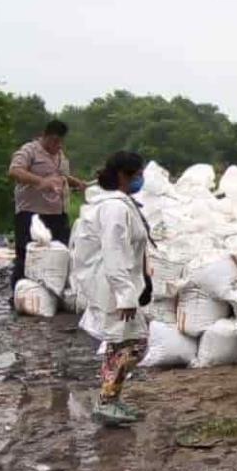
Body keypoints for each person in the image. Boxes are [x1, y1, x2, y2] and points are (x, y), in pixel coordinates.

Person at [69, 151, 151, 427]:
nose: (140, 179)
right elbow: (114, 251)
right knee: (135, 344)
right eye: (136, 174)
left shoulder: (117, 203)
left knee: (119, 343)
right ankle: (106, 401)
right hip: (114, 286)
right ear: (122, 175)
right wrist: (125, 295)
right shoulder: (114, 207)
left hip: (118, 283)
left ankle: (111, 400)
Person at [8, 120, 87, 294]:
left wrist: (78, 183)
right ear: (44, 136)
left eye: (59, 141)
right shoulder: (29, 150)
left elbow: (63, 176)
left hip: (58, 212)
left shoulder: (60, 155)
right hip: (32, 213)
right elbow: (15, 171)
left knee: (61, 252)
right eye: (53, 141)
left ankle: (53, 293)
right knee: (27, 255)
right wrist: (40, 181)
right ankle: (20, 293)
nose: (56, 145)